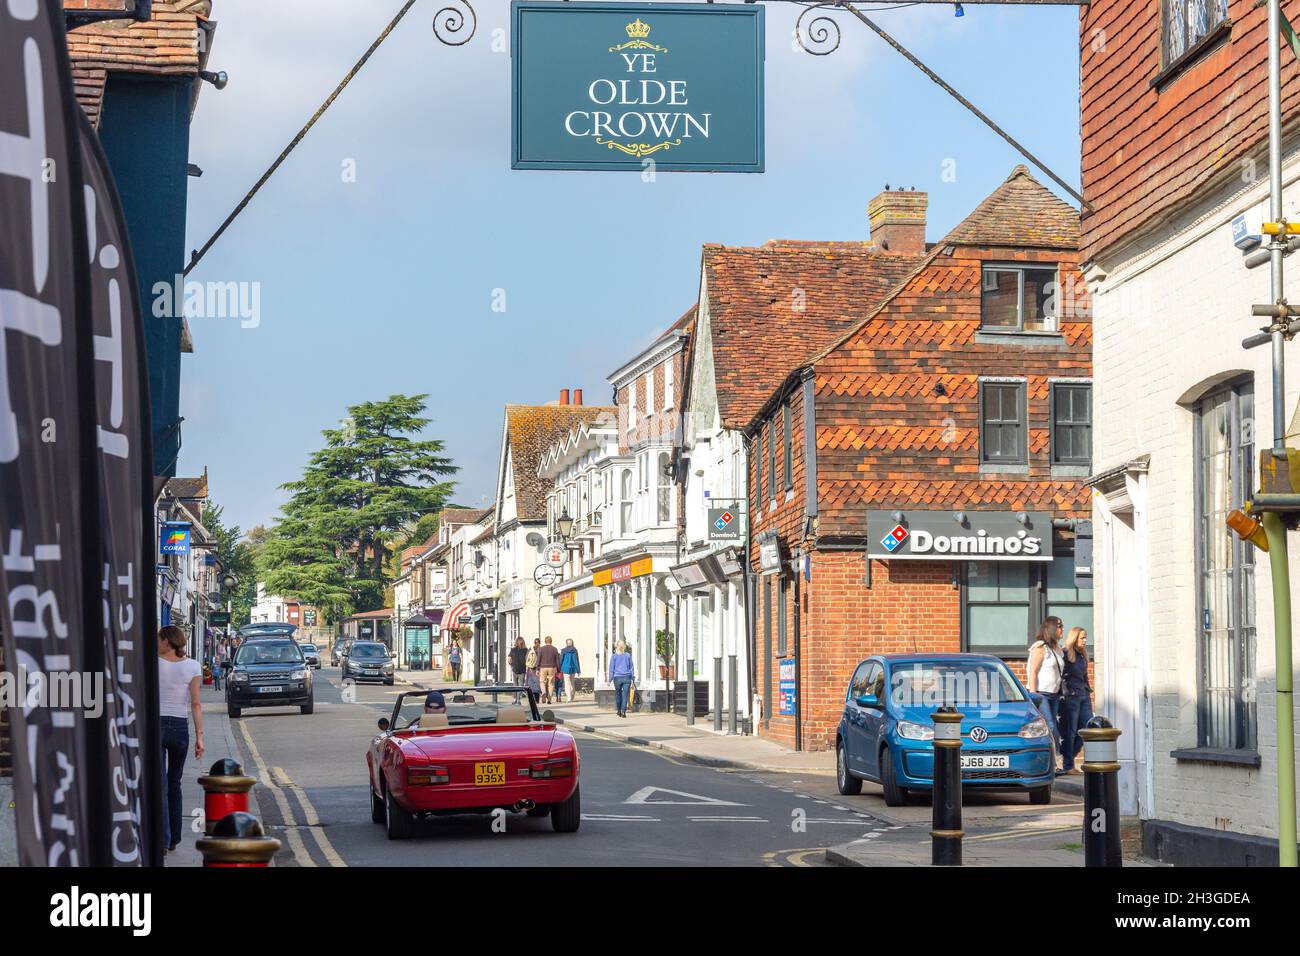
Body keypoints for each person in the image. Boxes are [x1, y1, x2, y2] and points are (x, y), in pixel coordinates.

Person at [158, 625, 204, 855]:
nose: (157, 643)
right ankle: (174, 837)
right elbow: (195, 703)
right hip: (179, 727)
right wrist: (200, 737)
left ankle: (164, 840)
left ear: (167, 641)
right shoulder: (193, 665)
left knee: (161, 786)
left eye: (159, 639)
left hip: (155, 724)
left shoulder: (152, 662)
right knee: (174, 782)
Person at [1026, 616, 1066, 772]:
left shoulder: (1057, 648)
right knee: (1049, 726)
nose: (1062, 629)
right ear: (1051, 629)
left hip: (1054, 694)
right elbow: (1033, 672)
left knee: (1052, 726)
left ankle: (1051, 762)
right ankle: (1053, 763)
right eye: (1059, 626)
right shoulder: (1040, 647)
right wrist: (1034, 694)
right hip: (1041, 694)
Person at [1059, 626, 1095, 774]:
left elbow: (1084, 675)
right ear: (1075, 638)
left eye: (1086, 637)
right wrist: (1067, 691)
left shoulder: (1082, 655)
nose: (1085, 640)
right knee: (1070, 731)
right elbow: (1059, 675)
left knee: (1088, 728)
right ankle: (1068, 765)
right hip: (1071, 696)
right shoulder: (1066, 654)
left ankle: (1069, 760)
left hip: (1084, 695)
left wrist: (1088, 689)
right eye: (1082, 637)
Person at [609, 641, 635, 718]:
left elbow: (611, 669)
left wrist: (609, 679)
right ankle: (623, 711)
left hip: (617, 678)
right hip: (627, 677)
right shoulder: (628, 655)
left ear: (616, 647)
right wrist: (633, 678)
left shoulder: (614, 656)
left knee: (618, 694)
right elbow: (631, 667)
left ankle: (618, 711)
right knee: (625, 695)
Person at [536, 635, 561, 704]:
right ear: (551, 641)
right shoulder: (555, 649)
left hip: (543, 667)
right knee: (551, 683)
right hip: (552, 667)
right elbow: (557, 660)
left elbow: (538, 659)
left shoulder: (541, 649)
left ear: (545, 641)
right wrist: (559, 670)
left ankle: (543, 692)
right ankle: (549, 698)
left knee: (542, 681)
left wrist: (537, 669)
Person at [559, 638, 580, 703]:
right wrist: (578, 670)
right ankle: (572, 695)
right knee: (572, 683)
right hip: (573, 668)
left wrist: (559, 668)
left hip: (565, 668)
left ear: (566, 643)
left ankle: (569, 698)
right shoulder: (575, 650)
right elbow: (577, 660)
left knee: (567, 683)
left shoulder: (563, 650)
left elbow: (561, 660)